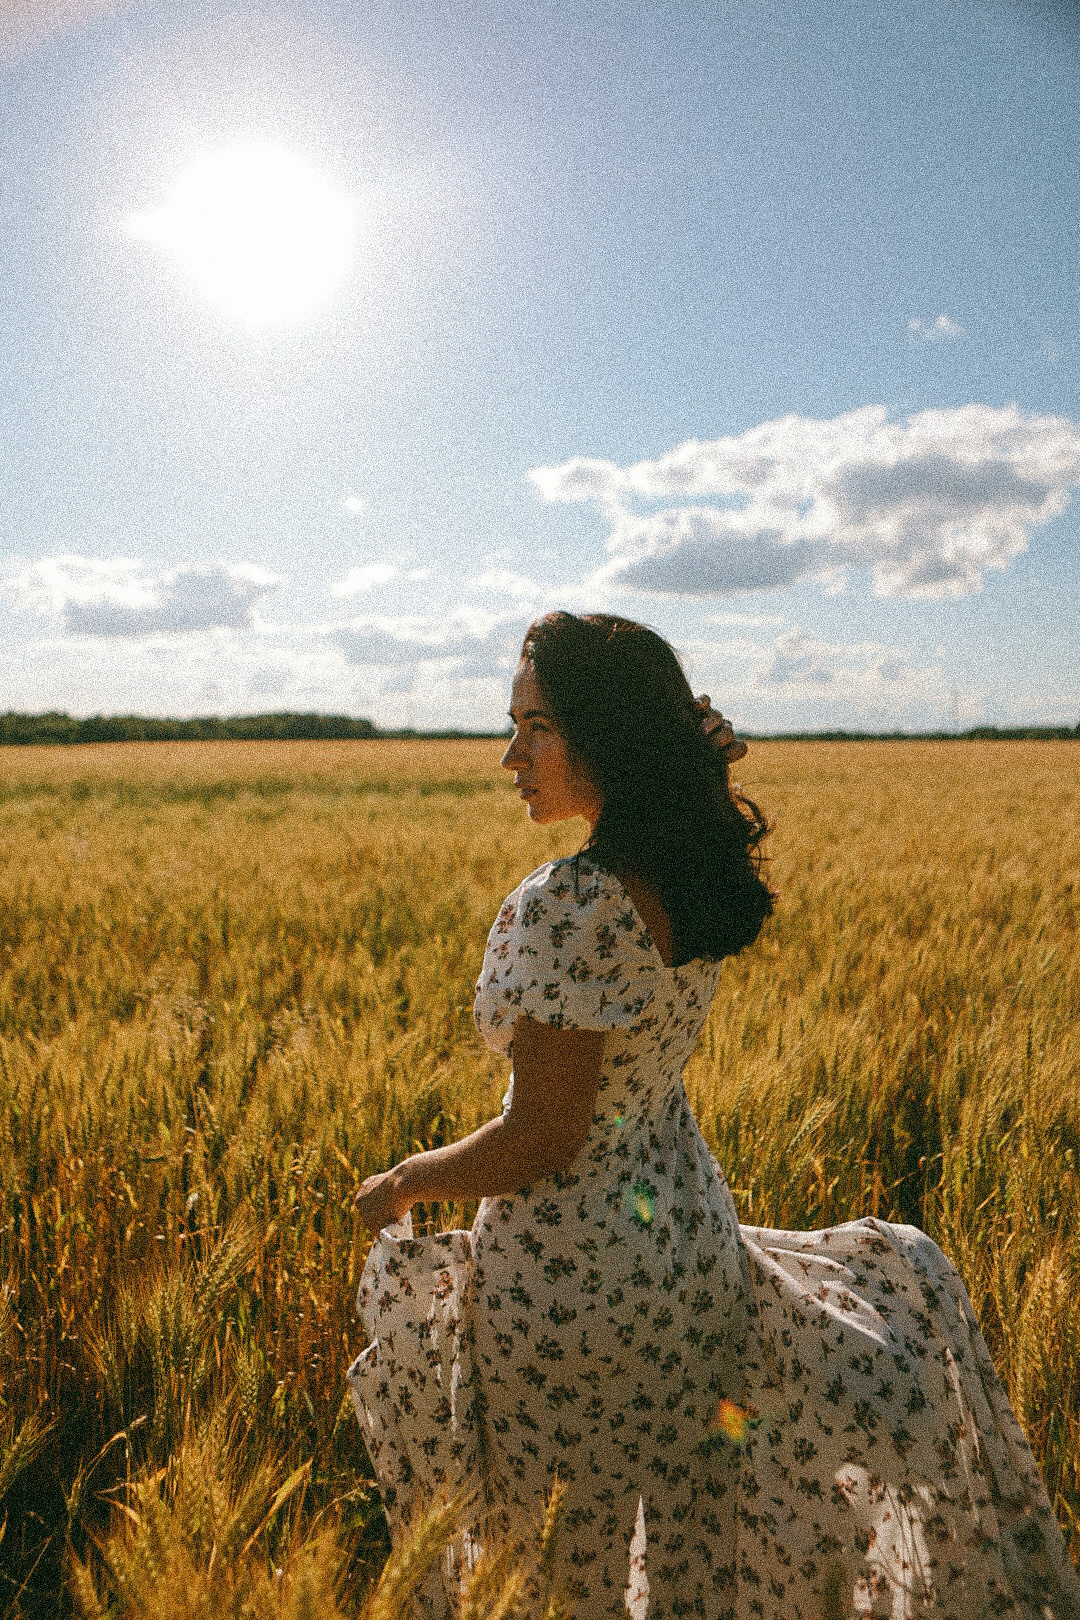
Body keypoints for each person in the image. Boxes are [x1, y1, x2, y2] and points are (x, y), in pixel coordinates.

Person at [349, 612, 1080, 1620]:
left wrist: (406, 1181)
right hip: (684, 1243)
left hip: (573, 1290)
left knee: (561, 1563)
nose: (509, 755)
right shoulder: (684, 873)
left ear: (610, 736)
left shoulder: (569, 900)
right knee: (685, 1519)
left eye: (539, 727)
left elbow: (543, 1137)